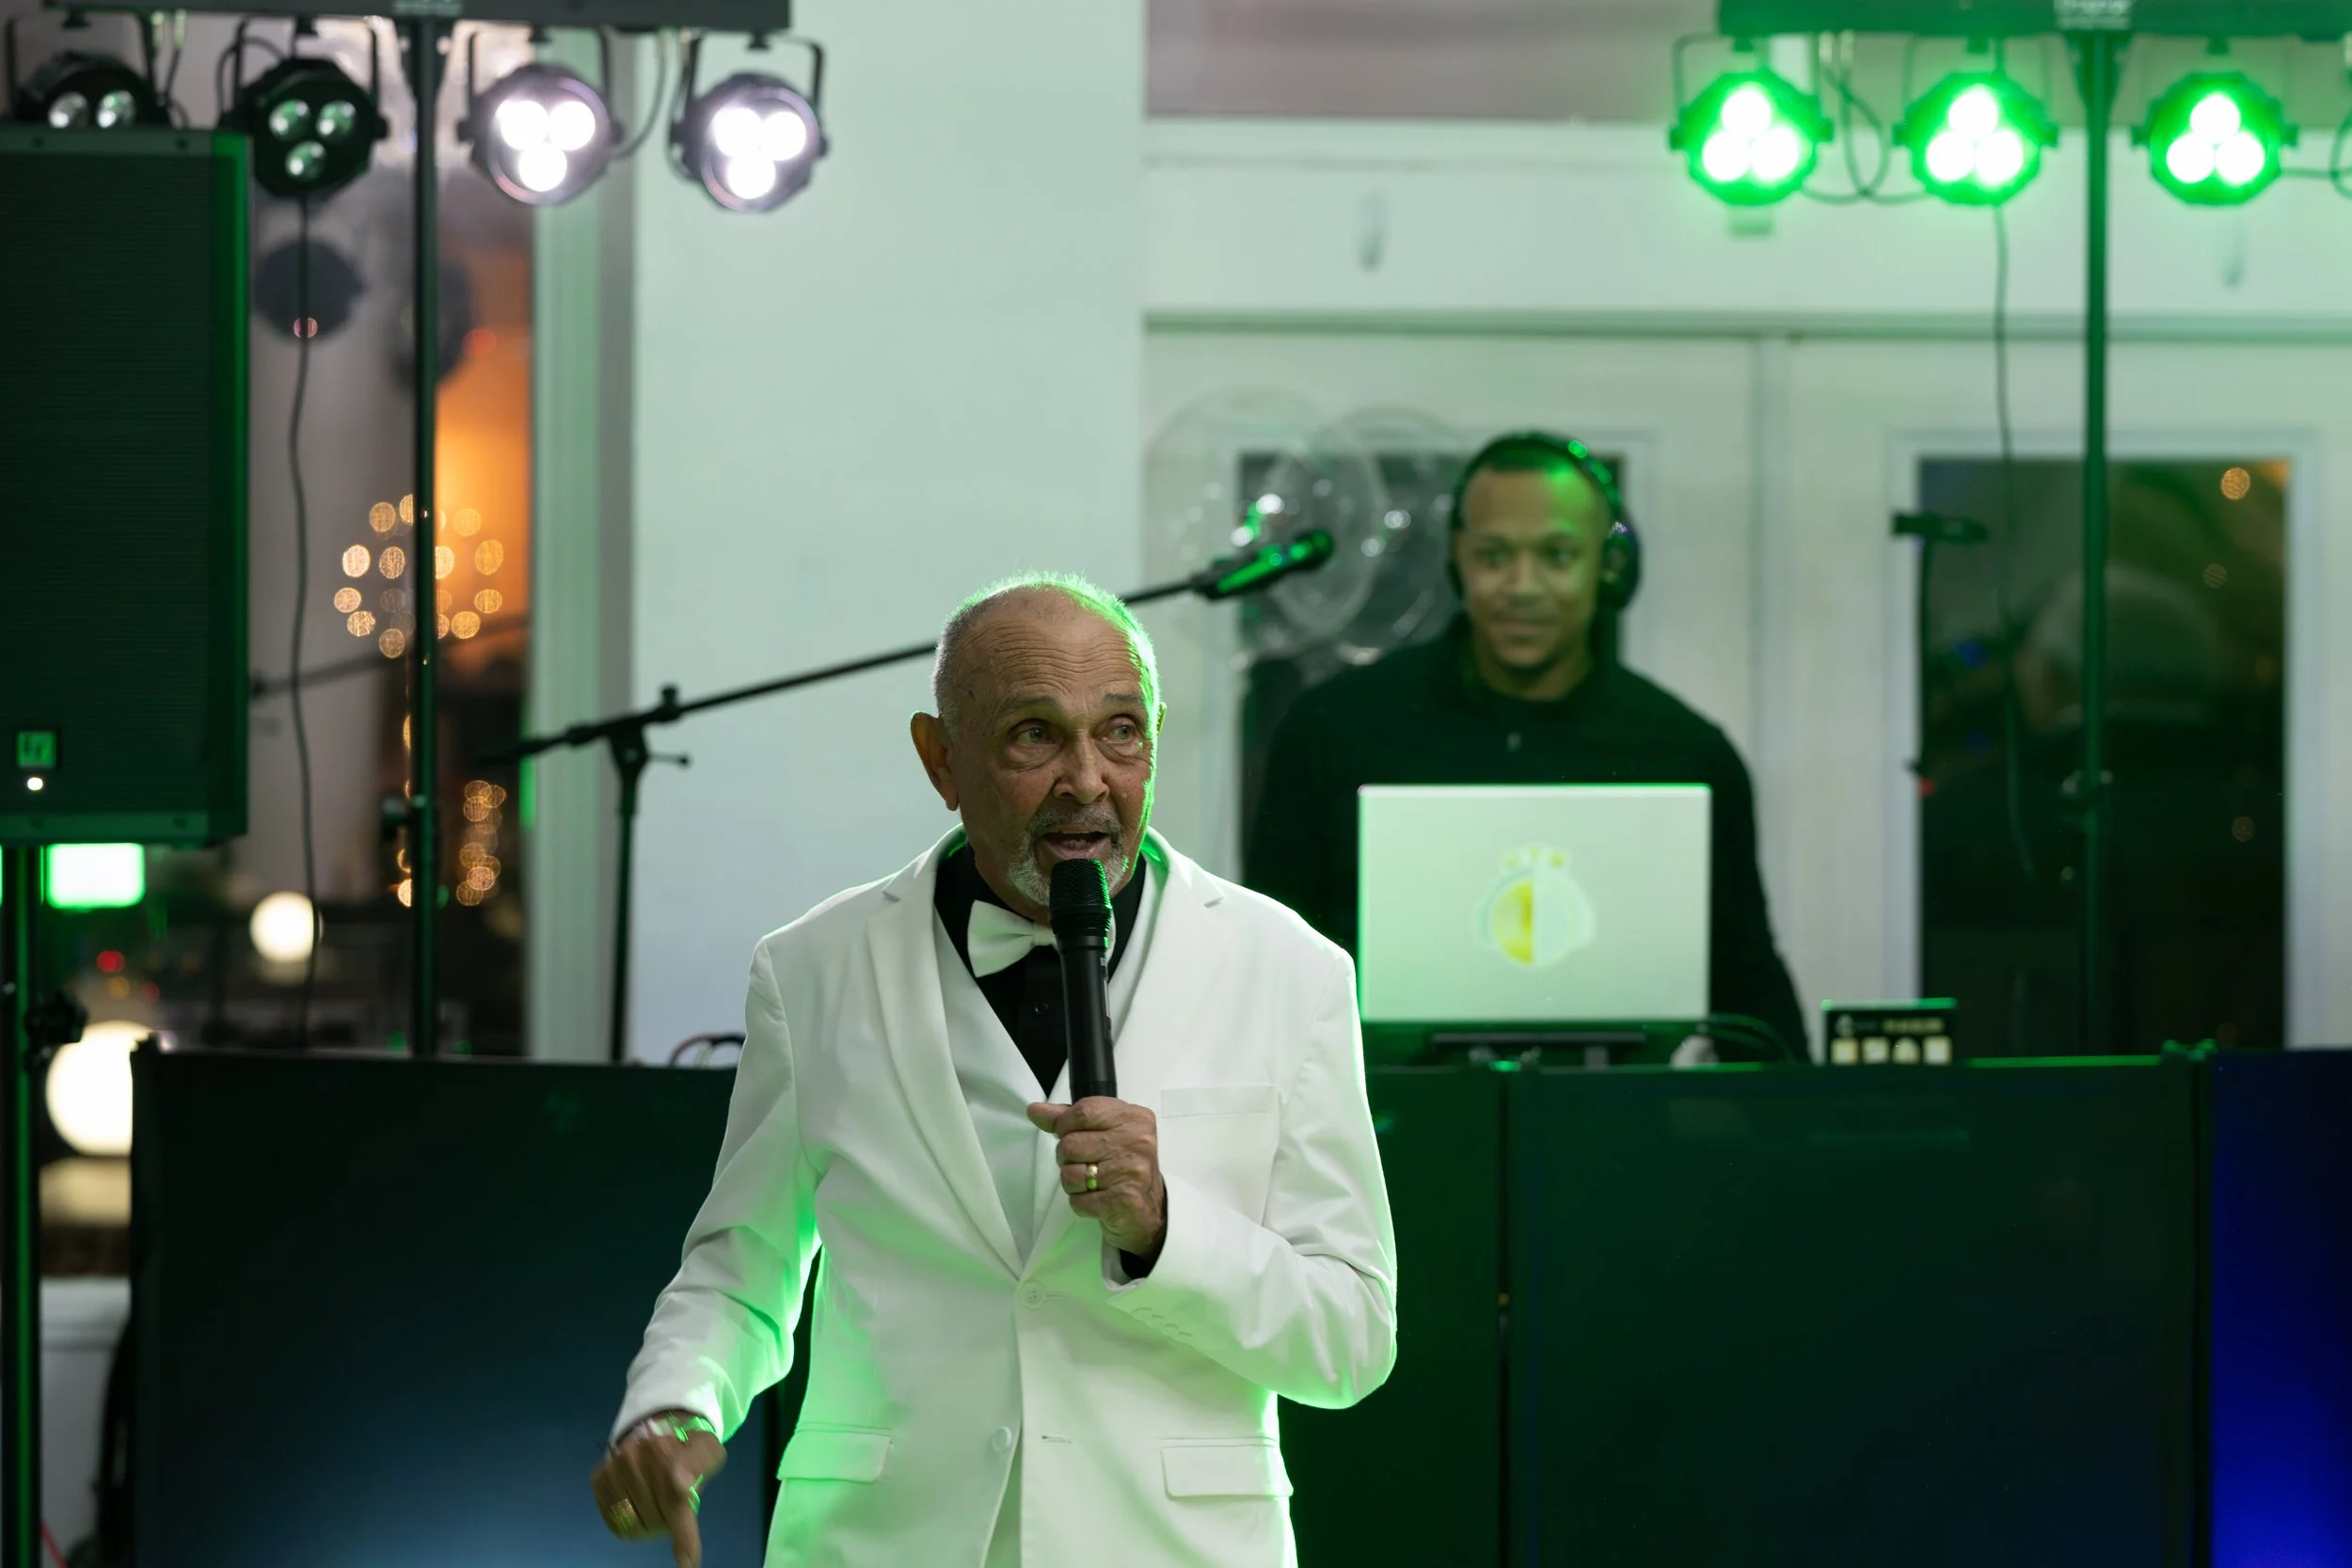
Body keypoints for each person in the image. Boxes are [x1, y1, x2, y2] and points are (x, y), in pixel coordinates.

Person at [592, 576, 1397, 1568]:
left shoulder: (1290, 969)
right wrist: (674, 1402)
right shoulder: (812, 968)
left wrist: (1164, 1229)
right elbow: (740, 1270)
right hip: (881, 1544)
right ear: (942, 758)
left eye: (1120, 732)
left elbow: (1351, 1338)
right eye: (1033, 735)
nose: (1087, 779)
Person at [1245, 431, 1806, 1060]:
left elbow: (1747, 980)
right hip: (1385, 1135)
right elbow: (1270, 966)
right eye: (1494, 555)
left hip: (1617, 1133)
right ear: (1458, 559)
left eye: (1558, 556)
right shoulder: (1334, 728)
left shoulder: (1685, 753)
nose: (1522, 584)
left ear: (1609, 565)